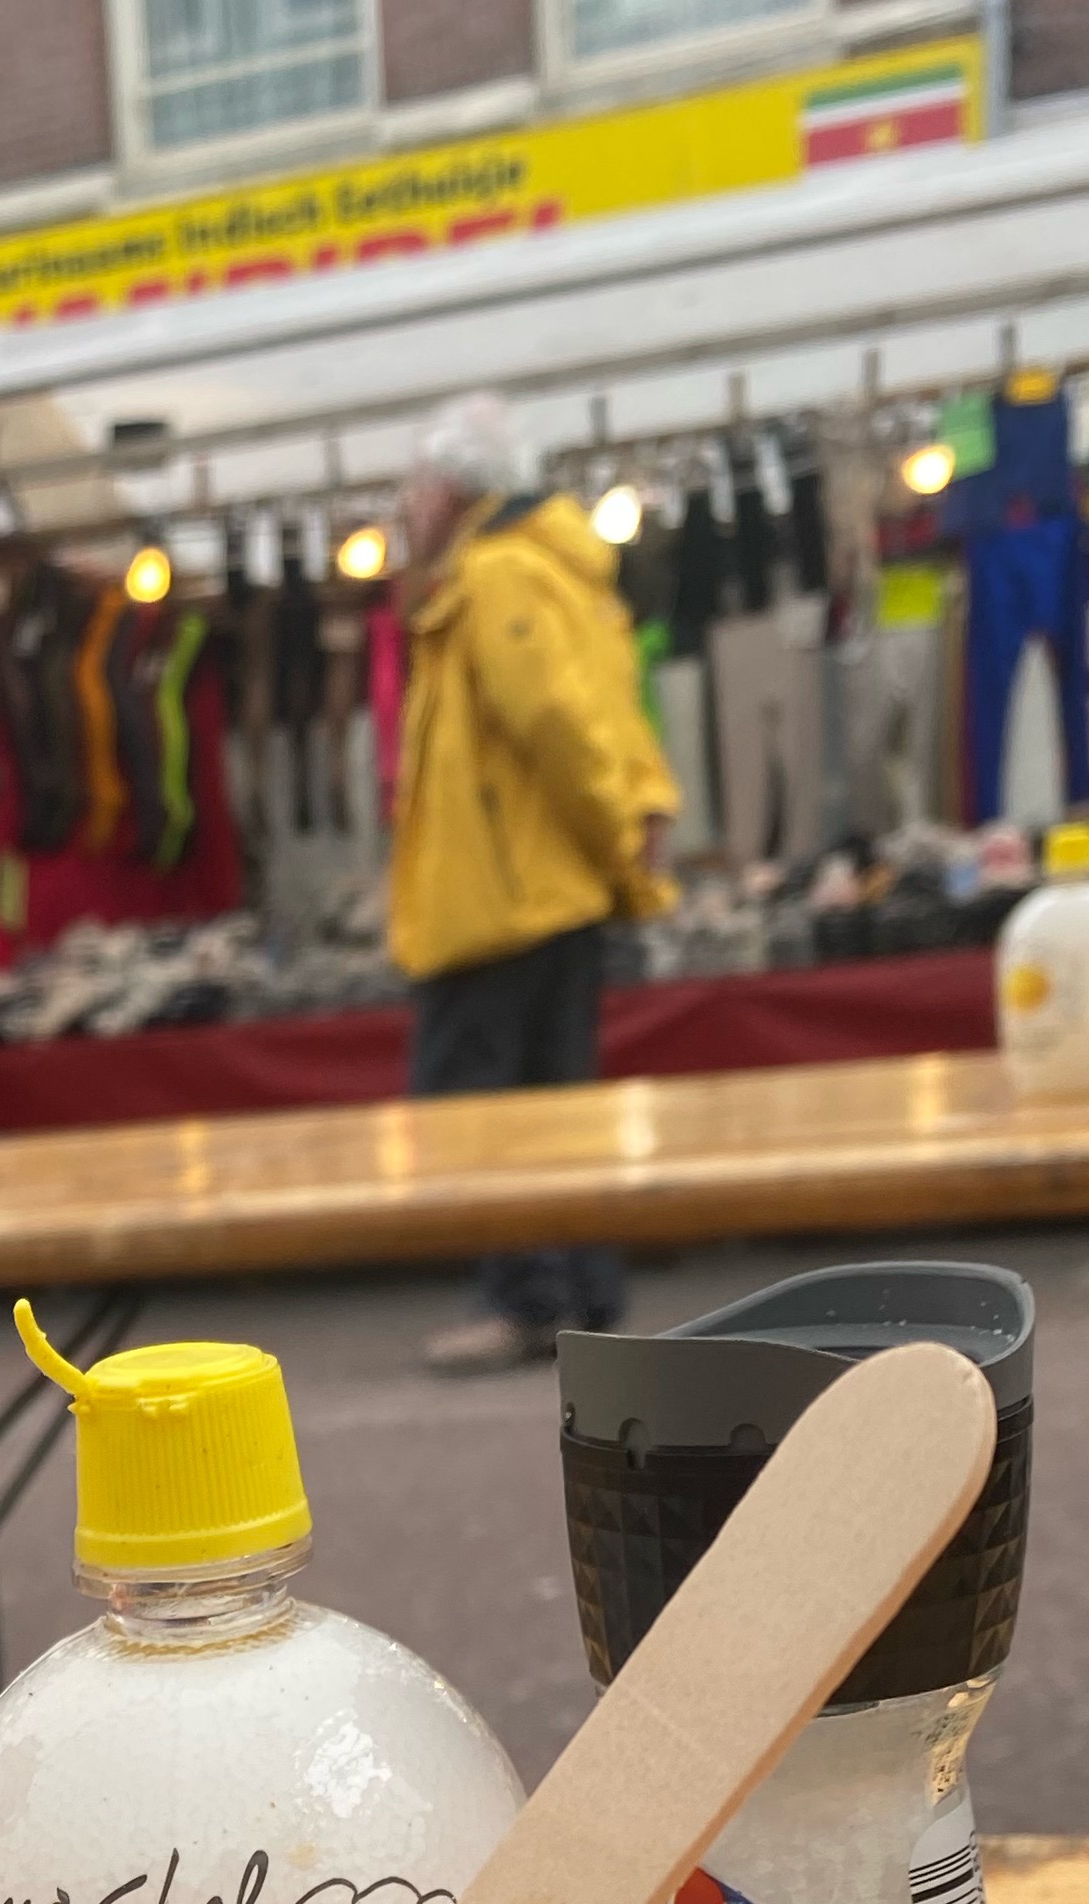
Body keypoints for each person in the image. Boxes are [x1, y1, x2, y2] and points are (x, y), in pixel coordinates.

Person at [388, 394, 678, 1377]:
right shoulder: (562, 571)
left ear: (455, 486)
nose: (406, 502)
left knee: (483, 1112)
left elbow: (553, 723)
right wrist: (629, 830)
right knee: (560, 1103)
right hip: (550, 893)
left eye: (417, 481)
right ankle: (581, 1296)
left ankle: (528, 1302)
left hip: (498, 900)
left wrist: (614, 837)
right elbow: (609, 715)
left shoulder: (497, 574)